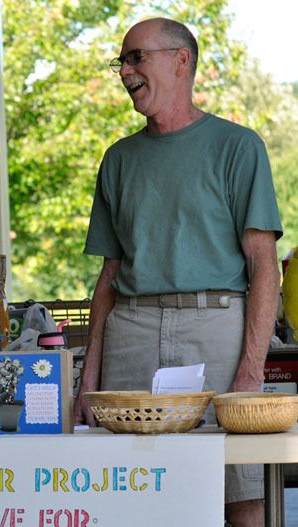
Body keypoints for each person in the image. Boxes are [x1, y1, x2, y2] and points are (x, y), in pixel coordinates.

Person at [72, 18, 282, 527]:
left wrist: (251, 371)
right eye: (120, 61)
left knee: (239, 491)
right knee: (126, 490)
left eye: (135, 57)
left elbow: (264, 268)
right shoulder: (118, 160)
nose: (124, 71)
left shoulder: (238, 146)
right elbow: (108, 276)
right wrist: (88, 375)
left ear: (179, 60)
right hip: (132, 329)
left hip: (215, 329)